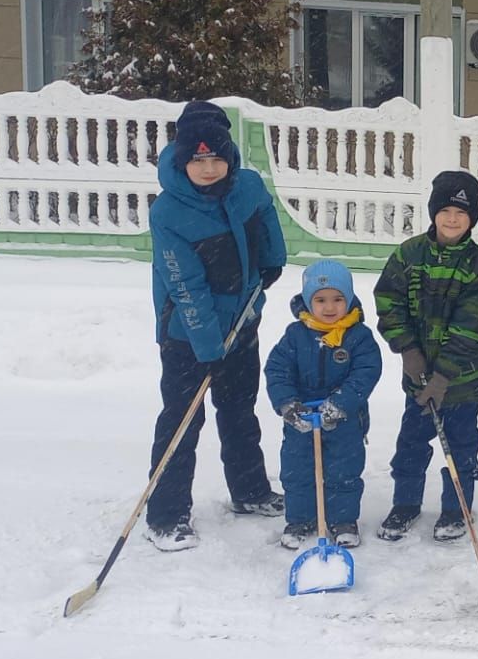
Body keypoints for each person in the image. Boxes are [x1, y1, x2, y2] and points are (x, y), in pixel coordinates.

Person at [144, 100, 287, 551]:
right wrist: (207, 344)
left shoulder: (247, 186)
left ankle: (249, 491)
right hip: (188, 336)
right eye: (198, 160)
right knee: (183, 421)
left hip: (242, 321)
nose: (208, 168)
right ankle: (165, 515)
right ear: (182, 159)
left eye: (216, 158)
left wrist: (271, 262)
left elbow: (265, 218)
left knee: (240, 411)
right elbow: (184, 285)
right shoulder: (169, 212)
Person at [372, 170, 478, 542]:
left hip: (462, 383)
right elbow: (388, 302)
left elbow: (469, 329)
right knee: (410, 443)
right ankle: (405, 504)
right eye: (445, 210)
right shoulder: (409, 255)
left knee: (460, 448)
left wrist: (443, 377)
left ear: (473, 217)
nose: (453, 219)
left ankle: (456, 510)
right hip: (417, 379)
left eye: (461, 212)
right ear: (433, 213)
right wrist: (409, 352)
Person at [265, 260, 383, 548]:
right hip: (302, 419)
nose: (329, 308)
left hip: (344, 420)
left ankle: (343, 520)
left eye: (337, 299)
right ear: (308, 301)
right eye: (320, 300)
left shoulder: (358, 336)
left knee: (343, 472)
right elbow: (277, 370)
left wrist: (340, 403)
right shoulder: (296, 335)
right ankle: (300, 519)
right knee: (297, 471)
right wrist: (288, 404)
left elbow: (366, 372)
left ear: (349, 299)